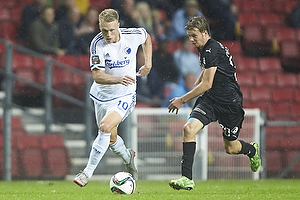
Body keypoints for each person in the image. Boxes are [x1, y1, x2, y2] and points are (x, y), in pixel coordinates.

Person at [168, 16, 261, 190]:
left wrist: (182, 99)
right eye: (189, 36)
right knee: (188, 129)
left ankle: (252, 151)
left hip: (230, 103)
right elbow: (205, 73)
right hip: (210, 101)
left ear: (205, 33)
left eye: (194, 35)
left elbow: (208, 83)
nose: (191, 40)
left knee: (231, 148)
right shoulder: (204, 49)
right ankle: (186, 178)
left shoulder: (212, 49)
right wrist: (193, 90)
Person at [73, 8, 152, 187]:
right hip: (102, 96)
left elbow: (146, 38)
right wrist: (119, 79)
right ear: (99, 27)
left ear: (118, 25)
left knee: (105, 126)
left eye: (111, 29)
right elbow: (97, 76)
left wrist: (148, 63)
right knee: (111, 138)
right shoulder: (97, 44)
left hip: (125, 94)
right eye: (104, 30)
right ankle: (128, 157)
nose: (108, 34)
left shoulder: (132, 35)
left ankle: (86, 173)